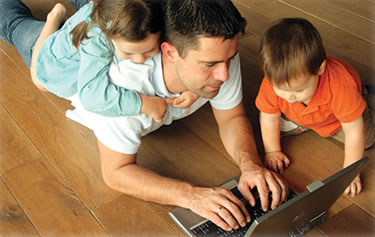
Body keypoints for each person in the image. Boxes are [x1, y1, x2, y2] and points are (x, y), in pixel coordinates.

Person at [63, 0, 289, 232]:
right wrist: (192, 196)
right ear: (170, 52)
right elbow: (116, 173)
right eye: (209, 64)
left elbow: (231, 116)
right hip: (65, 57)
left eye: (230, 58)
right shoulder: (124, 87)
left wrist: (251, 165)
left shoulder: (220, 53)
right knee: (25, 27)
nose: (224, 74)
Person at [0, 0, 198, 124]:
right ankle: (54, 18)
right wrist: (143, 104)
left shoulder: (151, 12)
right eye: (129, 52)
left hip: (88, 18)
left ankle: (62, 17)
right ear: (109, 36)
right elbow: (92, 96)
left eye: (149, 51)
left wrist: (193, 86)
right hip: (50, 56)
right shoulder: (96, 42)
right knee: (12, 24)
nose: (140, 59)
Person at [255, 18, 375, 197]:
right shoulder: (274, 83)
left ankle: (366, 98)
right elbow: (268, 116)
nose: (289, 96)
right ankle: (305, 121)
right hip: (301, 115)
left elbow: (353, 131)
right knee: (268, 127)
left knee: (366, 140)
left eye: (298, 90)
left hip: (335, 117)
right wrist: (272, 151)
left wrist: (350, 172)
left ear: (320, 69)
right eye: (281, 89)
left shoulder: (340, 87)